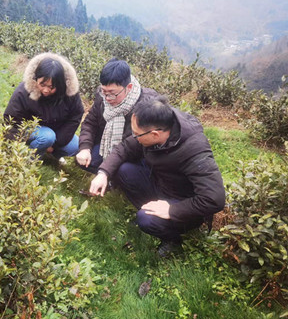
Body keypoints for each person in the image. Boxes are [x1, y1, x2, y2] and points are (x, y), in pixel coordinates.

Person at [89, 96, 225, 257]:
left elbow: (214, 198)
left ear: (154, 135)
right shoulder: (159, 122)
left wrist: (172, 210)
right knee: (123, 170)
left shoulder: (194, 150)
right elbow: (125, 147)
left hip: (184, 202)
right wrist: (103, 173)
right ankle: (151, 209)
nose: (134, 137)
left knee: (146, 219)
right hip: (162, 183)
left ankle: (172, 240)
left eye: (137, 134)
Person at [76, 58, 158, 173]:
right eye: (104, 91)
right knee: (83, 160)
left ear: (128, 87)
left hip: (134, 154)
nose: (108, 98)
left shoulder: (147, 105)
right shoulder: (102, 98)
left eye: (113, 94)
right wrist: (85, 148)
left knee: (122, 171)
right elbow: (90, 123)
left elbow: (131, 146)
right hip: (107, 147)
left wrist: (106, 170)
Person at [4, 52, 84, 161]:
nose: (46, 90)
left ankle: (50, 152)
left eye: (51, 87)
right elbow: (11, 120)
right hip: (30, 130)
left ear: (60, 84)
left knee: (76, 146)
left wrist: (56, 143)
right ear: (36, 78)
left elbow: (75, 116)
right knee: (47, 136)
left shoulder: (69, 94)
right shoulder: (24, 91)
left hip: (55, 131)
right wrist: (11, 147)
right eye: (42, 84)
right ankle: (29, 161)